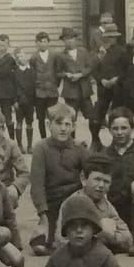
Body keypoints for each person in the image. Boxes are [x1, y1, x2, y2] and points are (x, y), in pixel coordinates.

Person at [29, 103, 89, 256]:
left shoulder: (79, 148)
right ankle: (48, 232)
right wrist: (42, 213)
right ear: (49, 125)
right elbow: (37, 184)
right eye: (58, 123)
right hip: (52, 203)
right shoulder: (41, 148)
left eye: (67, 124)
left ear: (73, 127)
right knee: (40, 246)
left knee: (78, 237)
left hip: (74, 201)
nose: (63, 128)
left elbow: (93, 173)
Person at [55, 154, 133, 254]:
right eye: (97, 179)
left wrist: (109, 236)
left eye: (106, 181)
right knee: (105, 225)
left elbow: (127, 239)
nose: (101, 185)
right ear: (83, 179)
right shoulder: (72, 203)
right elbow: (61, 241)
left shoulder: (106, 205)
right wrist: (101, 234)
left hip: (99, 256)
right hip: (76, 261)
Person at [102, 107, 134, 256]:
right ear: (109, 130)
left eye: (124, 128)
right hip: (114, 208)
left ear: (132, 128)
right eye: (115, 128)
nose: (120, 132)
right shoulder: (105, 154)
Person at [90, 23, 127, 151]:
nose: (109, 40)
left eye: (112, 37)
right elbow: (94, 69)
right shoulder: (100, 52)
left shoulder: (122, 51)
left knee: (116, 116)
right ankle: (95, 141)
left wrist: (116, 79)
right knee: (96, 116)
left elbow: (126, 70)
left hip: (118, 89)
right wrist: (101, 80)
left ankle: (116, 144)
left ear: (116, 38)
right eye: (107, 37)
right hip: (103, 89)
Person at [55, 28, 94, 136]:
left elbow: (90, 67)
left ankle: (96, 140)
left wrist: (81, 74)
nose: (69, 41)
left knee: (92, 117)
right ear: (63, 41)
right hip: (70, 92)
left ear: (75, 39)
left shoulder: (83, 51)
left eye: (71, 38)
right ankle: (71, 142)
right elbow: (58, 73)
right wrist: (66, 74)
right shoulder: (60, 56)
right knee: (70, 118)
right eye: (66, 39)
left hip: (84, 90)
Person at [30, 32, 59, 141]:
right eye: (40, 42)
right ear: (37, 43)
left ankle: (54, 138)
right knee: (41, 118)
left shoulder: (54, 55)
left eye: (45, 41)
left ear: (48, 42)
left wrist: (55, 84)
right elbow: (32, 74)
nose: (43, 44)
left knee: (53, 116)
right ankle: (43, 139)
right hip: (39, 92)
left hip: (52, 91)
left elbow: (57, 71)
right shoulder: (34, 57)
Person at [14, 47, 37, 152]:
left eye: (22, 56)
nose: (20, 58)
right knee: (19, 122)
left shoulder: (31, 71)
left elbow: (34, 86)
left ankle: (29, 146)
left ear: (26, 56)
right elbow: (12, 87)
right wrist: (14, 101)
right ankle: (19, 145)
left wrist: (34, 101)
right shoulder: (14, 72)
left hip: (30, 101)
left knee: (29, 122)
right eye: (18, 57)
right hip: (19, 101)